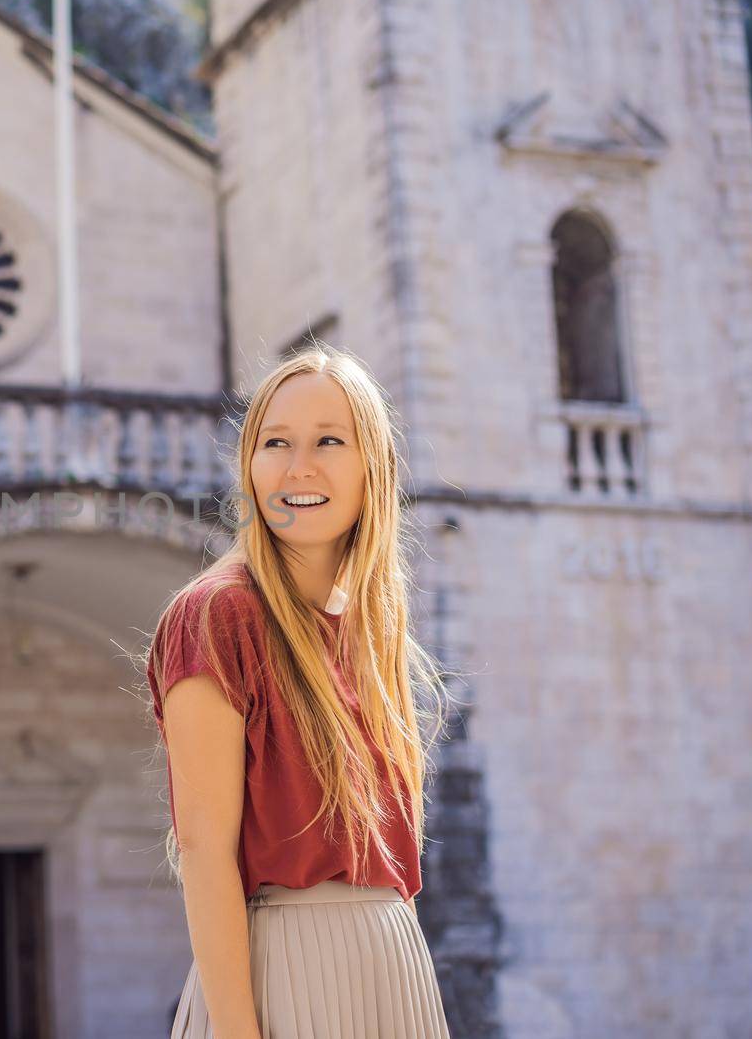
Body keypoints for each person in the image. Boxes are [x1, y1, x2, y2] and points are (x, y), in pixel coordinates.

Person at [142, 345, 455, 1037]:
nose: (297, 466)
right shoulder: (218, 614)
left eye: (328, 441)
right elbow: (202, 847)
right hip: (284, 974)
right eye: (275, 442)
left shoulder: (373, 631)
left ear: (373, 464)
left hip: (396, 971)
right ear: (249, 465)